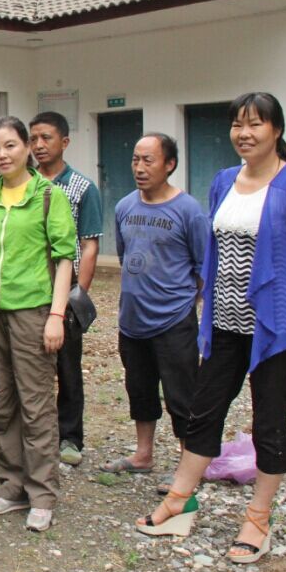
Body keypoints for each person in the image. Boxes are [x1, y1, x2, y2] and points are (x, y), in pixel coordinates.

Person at [136, 93, 286, 564]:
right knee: (203, 413)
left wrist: (282, 301)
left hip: (276, 328)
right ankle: (179, 502)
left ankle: (258, 519)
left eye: (255, 124)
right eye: (237, 124)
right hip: (224, 322)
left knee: (269, 421)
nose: (244, 133)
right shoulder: (224, 181)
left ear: (276, 130)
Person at [0, 116, 76, 533]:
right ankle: (11, 483)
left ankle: (42, 492)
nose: (2, 155)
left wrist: (56, 315)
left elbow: (64, 258)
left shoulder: (48, 196)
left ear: (27, 147)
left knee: (36, 403)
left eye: (10, 145)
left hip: (33, 311)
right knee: (4, 401)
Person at [101, 134, 209, 492]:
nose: (139, 167)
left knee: (181, 395)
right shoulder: (124, 206)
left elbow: (203, 267)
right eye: (136, 159)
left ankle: (187, 465)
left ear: (169, 164)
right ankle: (143, 454)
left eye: (148, 160)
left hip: (174, 320)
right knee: (140, 389)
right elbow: (124, 255)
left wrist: (187, 304)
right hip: (132, 319)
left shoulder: (188, 210)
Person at [29, 111, 103, 468]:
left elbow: (89, 245)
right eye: (33, 139)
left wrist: (77, 297)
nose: (39, 145)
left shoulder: (82, 187)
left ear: (65, 142)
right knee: (29, 367)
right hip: (28, 287)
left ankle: (70, 436)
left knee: (68, 368)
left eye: (46, 138)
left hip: (66, 287)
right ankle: (32, 436)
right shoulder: (24, 182)